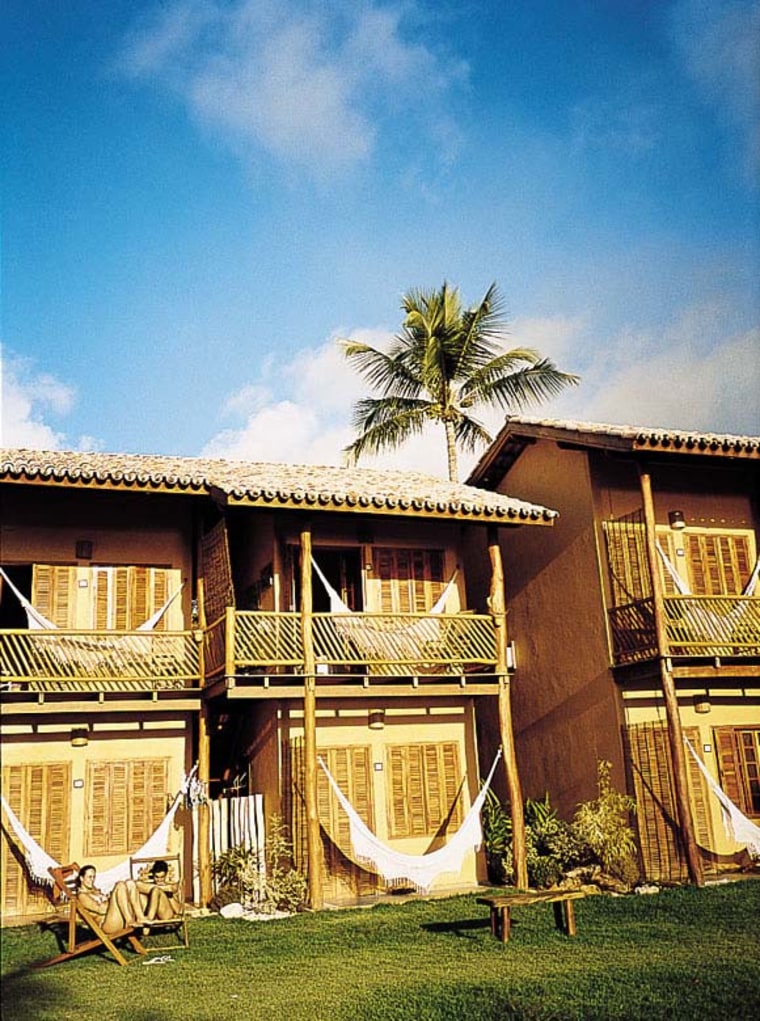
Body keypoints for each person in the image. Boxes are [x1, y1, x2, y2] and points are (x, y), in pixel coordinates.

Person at [74, 865, 146, 933]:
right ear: (81, 878)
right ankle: (129, 921)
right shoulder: (82, 896)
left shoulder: (94, 891)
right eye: (89, 877)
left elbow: (106, 904)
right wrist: (113, 899)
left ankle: (141, 918)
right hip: (106, 925)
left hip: (115, 918)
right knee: (120, 885)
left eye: (94, 877)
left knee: (130, 883)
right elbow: (102, 910)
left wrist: (112, 899)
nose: (92, 880)